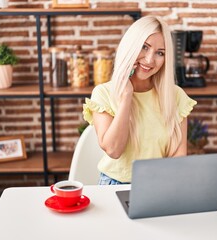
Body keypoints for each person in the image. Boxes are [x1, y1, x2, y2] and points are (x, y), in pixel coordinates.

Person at [83, 16, 197, 185]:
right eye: (144, 47)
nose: (150, 60)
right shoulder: (104, 93)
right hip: (115, 185)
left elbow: (178, 158)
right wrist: (126, 97)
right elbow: (113, 150)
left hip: (159, 185)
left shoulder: (175, 96)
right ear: (131, 46)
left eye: (160, 53)